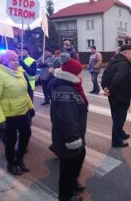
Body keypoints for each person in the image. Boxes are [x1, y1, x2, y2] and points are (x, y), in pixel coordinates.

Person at [0, 50, 34, 175]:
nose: (16, 62)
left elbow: (24, 92)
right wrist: (0, 119)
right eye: (12, 60)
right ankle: (11, 163)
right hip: (8, 115)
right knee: (10, 141)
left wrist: (30, 107)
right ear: (3, 61)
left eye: (17, 59)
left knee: (26, 134)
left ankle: (19, 158)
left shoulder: (19, 71)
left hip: (22, 112)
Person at [49, 53, 87, 201]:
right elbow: (68, 119)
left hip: (74, 133)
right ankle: (65, 196)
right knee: (67, 167)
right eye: (78, 73)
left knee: (79, 157)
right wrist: (73, 139)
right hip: (68, 138)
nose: (81, 75)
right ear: (71, 74)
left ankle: (72, 184)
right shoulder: (66, 91)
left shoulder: (72, 86)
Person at [101, 44, 131, 148]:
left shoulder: (113, 61)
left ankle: (120, 133)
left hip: (113, 95)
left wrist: (105, 88)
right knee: (119, 118)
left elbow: (105, 76)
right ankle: (116, 141)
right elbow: (118, 79)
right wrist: (109, 89)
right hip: (121, 96)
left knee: (117, 116)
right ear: (126, 53)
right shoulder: (124, 64)